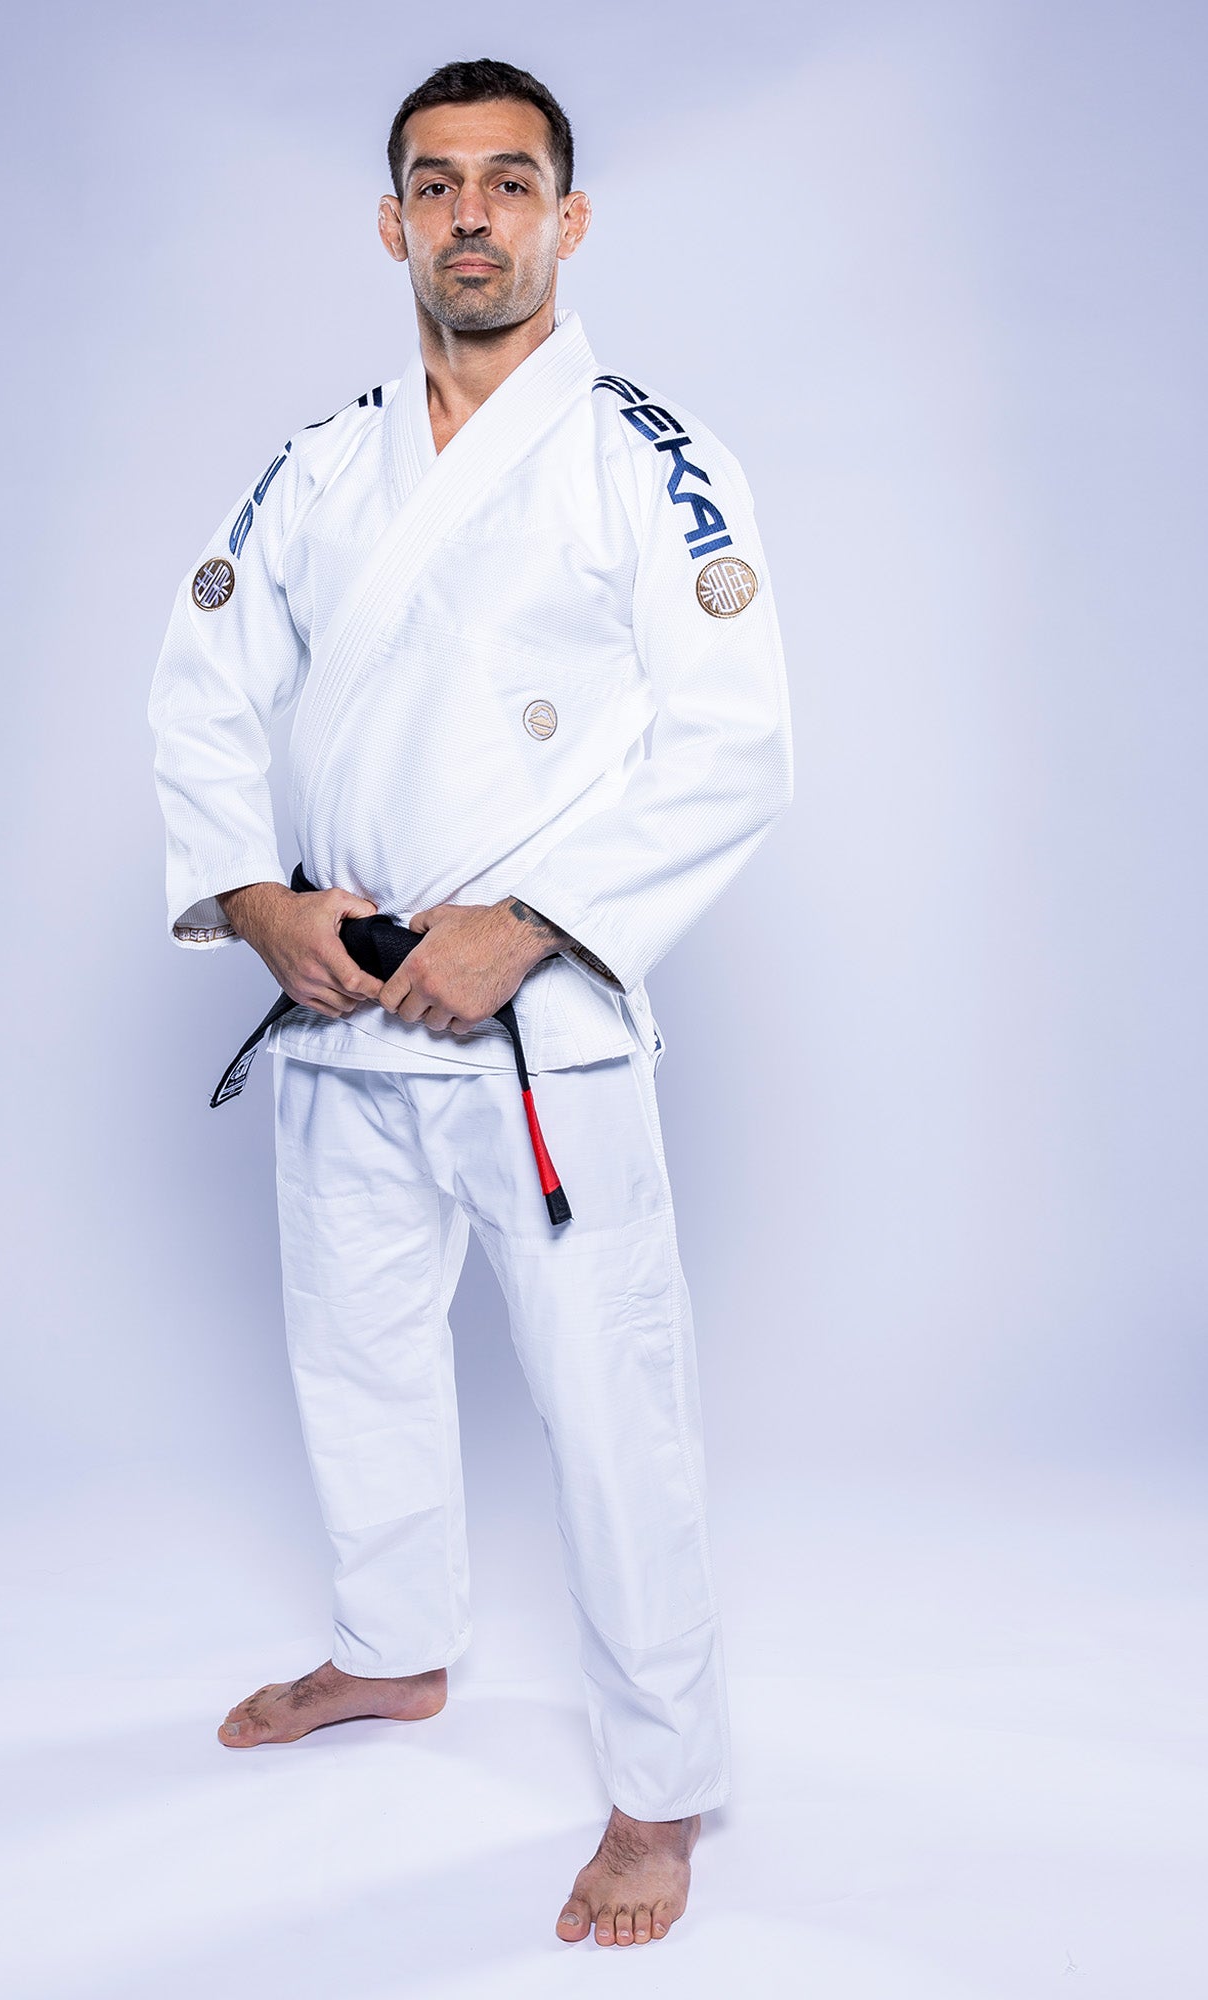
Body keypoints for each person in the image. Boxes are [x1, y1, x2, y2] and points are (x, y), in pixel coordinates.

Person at [147, 57, 793, 1948]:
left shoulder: (648, 454)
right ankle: (394, 1649)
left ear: (569, 223)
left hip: (535, 1029)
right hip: (342, 997)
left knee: (612, 1408)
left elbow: (739, 747)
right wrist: (255, 897)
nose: (475, 217)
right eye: (437, 186)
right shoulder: (326, 456)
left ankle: (661, 1790)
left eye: (513, 184)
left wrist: (534, 920)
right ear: (392, 222)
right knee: (352, 1354)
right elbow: (198, 675)